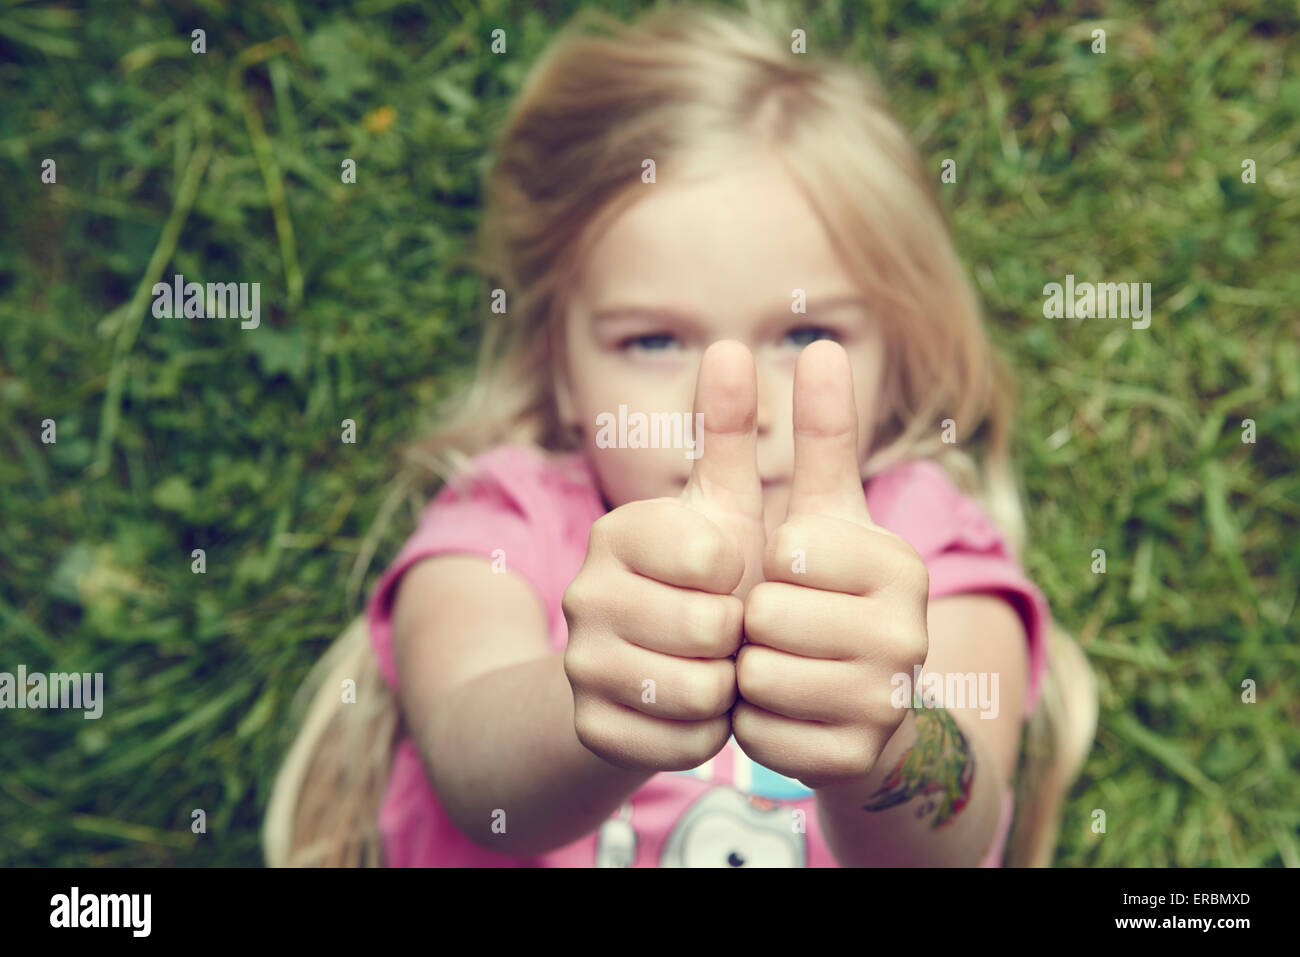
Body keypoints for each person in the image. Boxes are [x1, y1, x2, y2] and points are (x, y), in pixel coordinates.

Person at [264, 2, 1097, 868]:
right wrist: (599, 695)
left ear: (903, 346)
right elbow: (474, 772)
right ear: (558, 366)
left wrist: (889, 734)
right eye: (654, 340)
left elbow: (952, 846)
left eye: (808, 336)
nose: (726, 405)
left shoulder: (925, 551)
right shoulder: (512, 522)